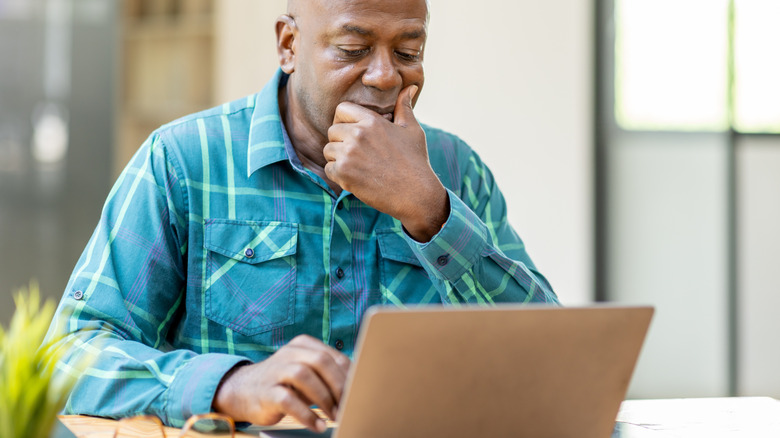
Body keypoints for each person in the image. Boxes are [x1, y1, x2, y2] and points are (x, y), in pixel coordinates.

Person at [47, 0, 559, 433]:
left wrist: (428, 209)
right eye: (353, 50)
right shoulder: (183, 161)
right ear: (289, 45)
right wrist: (229, 384)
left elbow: (552, 363)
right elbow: (67, 358)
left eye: (409, 52)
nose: (385, 75)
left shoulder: (455, 171)